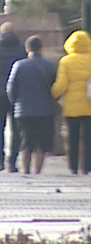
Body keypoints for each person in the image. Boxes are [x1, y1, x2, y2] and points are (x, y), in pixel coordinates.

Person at [7, 35, 57, 175]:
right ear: (41, 49)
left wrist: (17, 103)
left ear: (27, 49)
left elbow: (11, 89)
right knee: (40, 144)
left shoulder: (19, 65)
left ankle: (26, 171)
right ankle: (37, 172)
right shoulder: (50, 65)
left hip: (24, 111)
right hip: (45, 110)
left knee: (26, 143)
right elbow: (55, 87)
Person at [0, 22, 27, 171]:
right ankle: (12, 161)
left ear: (0, 33)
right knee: (16, 128)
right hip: (17, 94)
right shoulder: (21, 49)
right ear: (14, 32)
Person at [51, 30, 91, 174]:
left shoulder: (66, 61)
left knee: (72, 136)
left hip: (71, 106)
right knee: (88, 138)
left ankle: (73, 166)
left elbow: (61, 85)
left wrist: (53, 94)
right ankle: (87, 166)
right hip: (89, 105)